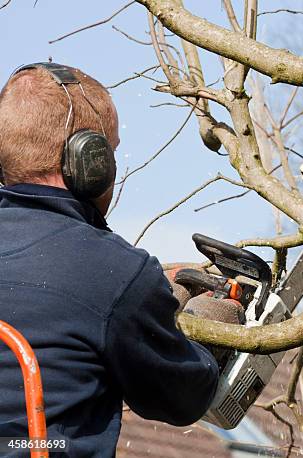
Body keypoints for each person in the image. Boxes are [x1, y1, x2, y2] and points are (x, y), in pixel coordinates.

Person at [0, 63, 240, 457]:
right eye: (109, 153)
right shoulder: (110, 270)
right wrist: (201, 330)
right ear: (90, 164)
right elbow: (182, 398)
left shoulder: (111, 277)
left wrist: (149, 302)